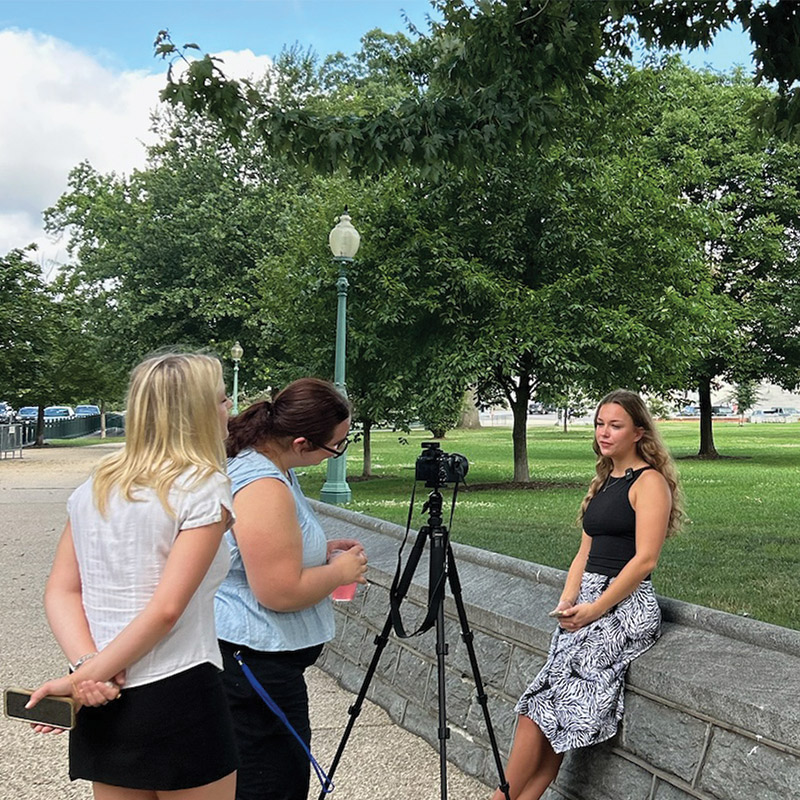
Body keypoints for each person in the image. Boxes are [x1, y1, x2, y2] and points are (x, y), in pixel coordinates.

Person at [27, 353, 239, 800]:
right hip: (178, 685)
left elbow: (61, 591)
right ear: (197, 412)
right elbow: (166, 609)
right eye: (223, 400)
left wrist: (86, 670)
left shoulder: (95, 488)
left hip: (103, 695)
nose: (231, 410)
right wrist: (82, 681)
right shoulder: (204, 486)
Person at [491, 389, 682, 800]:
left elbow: (645, 560)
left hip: (624, 606)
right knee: (548, 707)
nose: (604, 432)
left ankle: (499, 798)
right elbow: (585, 550)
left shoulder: (650, 482)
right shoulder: (604, 481)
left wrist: (595, 607)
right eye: (600, 424)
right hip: (587, 601)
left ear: (638, 432)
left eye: (616, 425)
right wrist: (568, 599)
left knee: (547, 704)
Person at [215, 377, 368, 800]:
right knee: (270, 784)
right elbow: (278, 591)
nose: (337, 452)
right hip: (254, 667)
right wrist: (340, 572)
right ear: (302, 442)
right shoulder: (263, 484)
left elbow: (263, 552)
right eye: (335, 445)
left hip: (259, 664)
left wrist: (321, 552)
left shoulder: (271, 464)